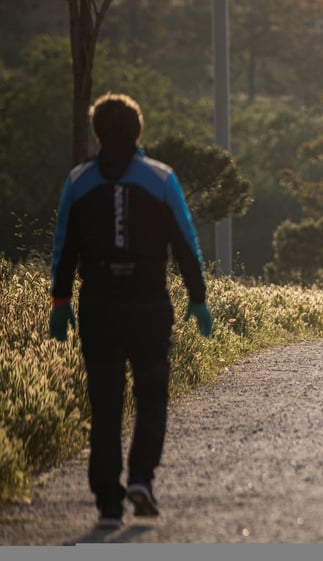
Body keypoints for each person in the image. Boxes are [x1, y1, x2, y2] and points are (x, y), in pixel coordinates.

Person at [49, 93, 213, 530]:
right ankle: (141, 477)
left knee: (105, 401)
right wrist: (197, 298)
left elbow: (64, 247)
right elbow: (184, 242)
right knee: (151, 393)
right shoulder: (160, 178)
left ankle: (107, 501)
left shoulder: (78, 181)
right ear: (139, 132)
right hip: (148, 304)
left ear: (97, 132)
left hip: (97, 305)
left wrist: (59, 302)